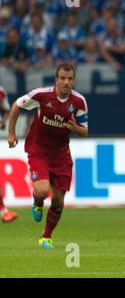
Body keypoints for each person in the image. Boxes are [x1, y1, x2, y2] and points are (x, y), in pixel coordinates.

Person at [7, 63, 88, 248]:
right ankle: (37, 201)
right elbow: (16, 106)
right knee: (43, 191)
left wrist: (75, 128)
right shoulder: (41, 95)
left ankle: (46, 236)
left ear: (73, 81)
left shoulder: (79, 102)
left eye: (69, 79)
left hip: (61, 154)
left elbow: (84, 131)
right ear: (56, 80)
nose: (66, 82)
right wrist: (11, 133)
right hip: (39, 150)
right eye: (62, 78)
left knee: (59, 201)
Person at [0, 86, 19, 223]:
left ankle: (4, 211)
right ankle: (4, 211)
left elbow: (5, 109)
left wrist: (3, 121)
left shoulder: (1, 92)